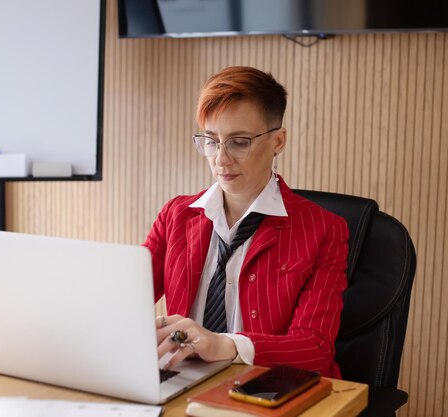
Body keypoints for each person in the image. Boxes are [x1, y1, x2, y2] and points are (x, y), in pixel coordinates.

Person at [144, 66, 349, 378]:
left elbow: (315, 349)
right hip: (184, 381)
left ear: (278, 141)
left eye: (239, 142)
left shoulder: (323, 230)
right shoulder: (176, 215)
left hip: (266, 388)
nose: (221, 159)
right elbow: (123, 299)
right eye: (211, 141)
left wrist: (225, 345)